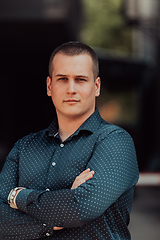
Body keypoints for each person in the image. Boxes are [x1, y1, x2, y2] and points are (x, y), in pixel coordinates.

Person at [0, 41, 139, 240]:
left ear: (96, 86)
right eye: (62, 79)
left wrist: (17, 197)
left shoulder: (116, 142)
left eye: (80, 79)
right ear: (49, 86)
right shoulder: (24, 147)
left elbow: (81, 209)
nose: (71, 88)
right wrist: (59, 213)